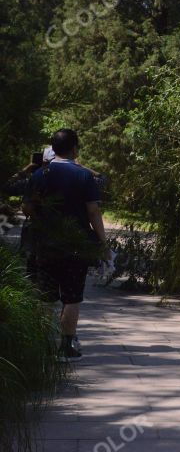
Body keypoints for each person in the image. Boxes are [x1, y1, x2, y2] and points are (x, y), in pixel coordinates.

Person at [22, 129, 107, 363]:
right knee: (71, 297)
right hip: (76, 246)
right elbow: (93, 211)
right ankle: (67, 346)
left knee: (44, 296)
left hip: (44, 244)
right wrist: (102, 241)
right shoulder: (83, 176)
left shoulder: (40, 173)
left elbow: (26, 209)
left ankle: (39, 344)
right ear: (74, 149)